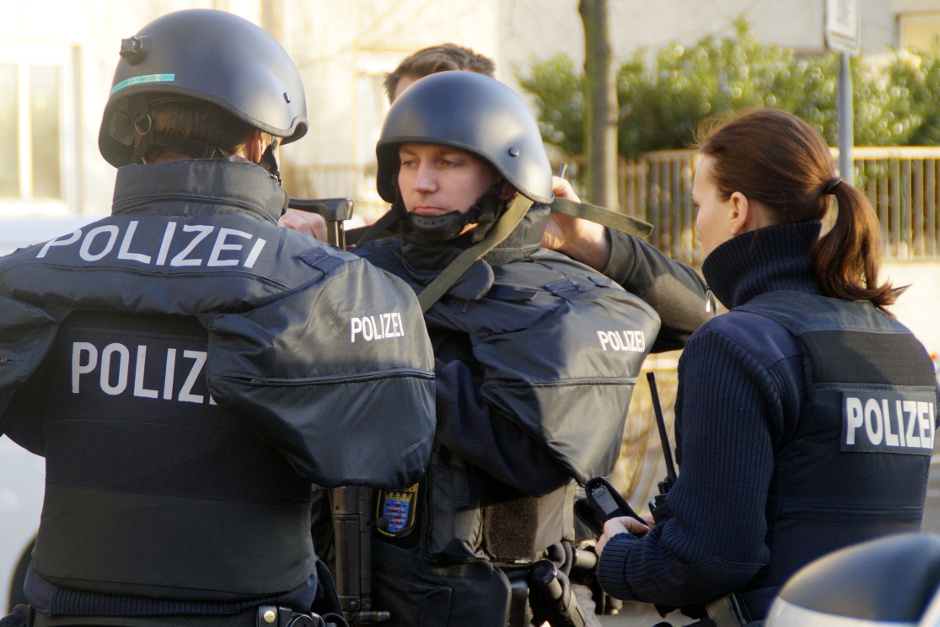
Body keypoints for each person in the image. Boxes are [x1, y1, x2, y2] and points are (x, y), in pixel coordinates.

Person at [0, 9, 435, 627]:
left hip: (63, 610)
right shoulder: (331, 284)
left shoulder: (29, 273)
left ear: (132, 134)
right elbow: (395, 448)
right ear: (260, 143)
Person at [594, 108, 940, 625]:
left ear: (736, 209)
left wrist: (616, 556)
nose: (696, 226)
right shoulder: (901, 343)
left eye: (698, 204)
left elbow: (712, 558)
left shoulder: (735, 343)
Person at [349, 70, 662, 626]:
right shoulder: (359, 274)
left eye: (448, 163)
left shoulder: (561, 293)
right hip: (359, 588)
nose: (421, 183)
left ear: (504, 176)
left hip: (503, 596)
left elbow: (531, 455)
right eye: (408, 161)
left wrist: (387, 356)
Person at [280, 44, 710, 351]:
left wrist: (594, 245)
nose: (424, 178)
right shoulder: (359, 255)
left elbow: (697, 322)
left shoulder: (557, 269)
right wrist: (299, 256)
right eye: (411, 154)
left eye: (451, 153)